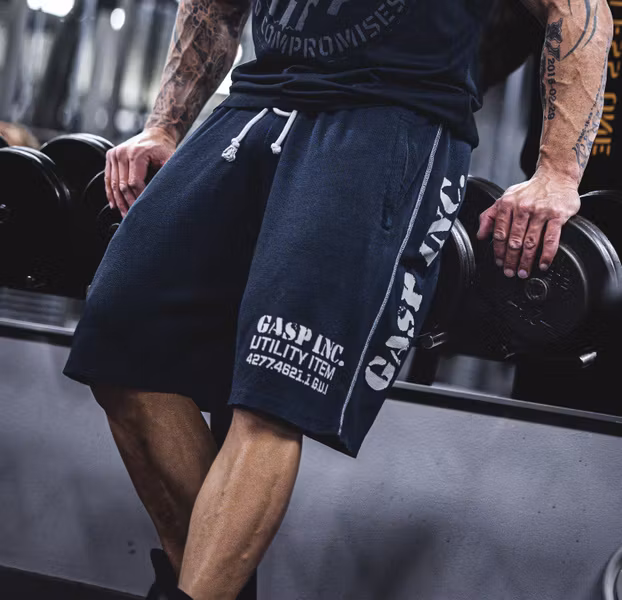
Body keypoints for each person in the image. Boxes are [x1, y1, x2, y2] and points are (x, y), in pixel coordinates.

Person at [62, 0, 613, 598]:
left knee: (274, 392)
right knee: (117, 338)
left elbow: (578, 10)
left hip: (393, 115)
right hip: (255, 104)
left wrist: (558, 173)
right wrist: (164, 126)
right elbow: (213, 7)